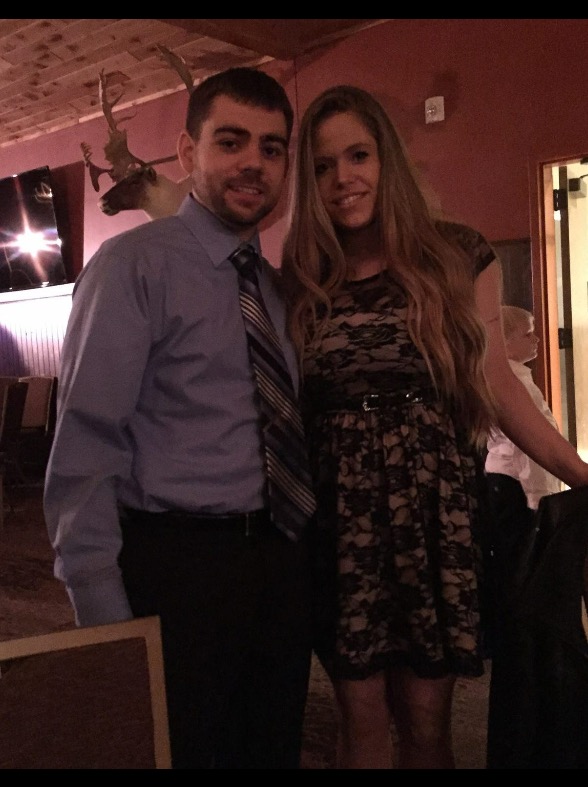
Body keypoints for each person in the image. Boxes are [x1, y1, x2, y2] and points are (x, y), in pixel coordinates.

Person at [279, 83, 588, 769]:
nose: (342, 178)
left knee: (426, 723)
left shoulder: (457, 254)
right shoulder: (301, 276)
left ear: (385, 158)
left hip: (434, 516)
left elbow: (496, 382)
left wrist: (581, 474)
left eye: (357, 155)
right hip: (341, 524)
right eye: (323, 166)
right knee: (360, 719)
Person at [44, 67, 314, 769]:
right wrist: (105, 621)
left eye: (272, 148)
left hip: (280, 563)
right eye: (231, 141)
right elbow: (84, 448)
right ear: (188, 153)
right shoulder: (132, 267)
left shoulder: (276, 287)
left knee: (271, 748)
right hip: (178, 569)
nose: (253, 161)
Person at [484, 304, 564, 769]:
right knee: (522, 570)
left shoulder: (517, 378)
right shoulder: (511, 382)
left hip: (512, 484)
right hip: (516, 487)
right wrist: (541, 498)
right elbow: (527, 447)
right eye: (528, 333)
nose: (536, 340)